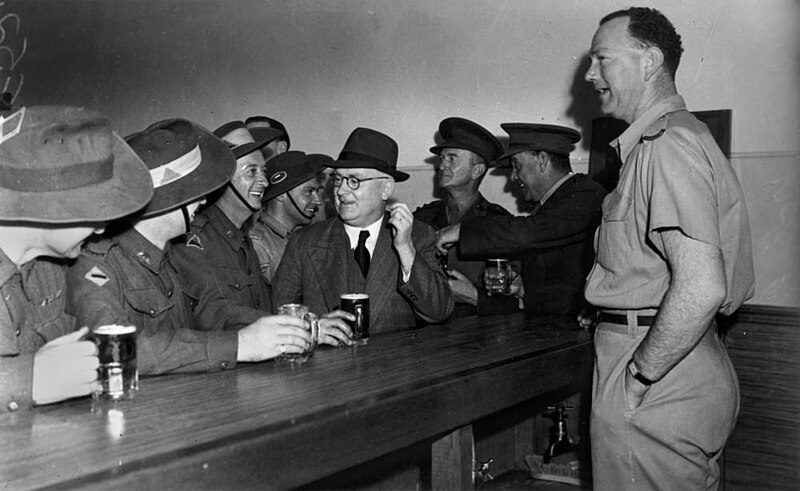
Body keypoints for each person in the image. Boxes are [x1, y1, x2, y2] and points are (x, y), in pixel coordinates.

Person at [583, 7, 754, 490]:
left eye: (602, 59)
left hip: (655, 368)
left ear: (649, 59)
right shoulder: (681, 137)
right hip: (687, 360)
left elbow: (701, 286)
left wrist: (639, 377)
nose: (590, 74)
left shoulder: (665, 146)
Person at [66, 119, 337, 375]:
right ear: (165, 200)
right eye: (193, 191)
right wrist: (239, 346)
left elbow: (213, 310)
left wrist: (290, 329)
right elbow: (109, 350)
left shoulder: (168, 257)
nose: (205, 200)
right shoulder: (98, 263)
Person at [0, 105, 153, 410]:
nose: (100, 228)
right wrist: (23, 382)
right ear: (46, 209)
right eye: (93, 212)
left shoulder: (50, 271)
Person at [273, 127, 454, 332]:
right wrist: (313, 329)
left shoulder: (418, 235)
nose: (341, 191)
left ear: (385, 188)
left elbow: (439, 311)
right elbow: (279, 314)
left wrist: (405, 249)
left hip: (394, 362)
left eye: (354, 181)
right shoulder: (304, 241)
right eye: (338, 179)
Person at [436, 123, 606, 319]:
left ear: (542, 160)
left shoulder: (586, 195)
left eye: (517, 166)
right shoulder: (553, 204)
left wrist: (461, 231)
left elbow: (531, 232)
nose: (514, 177)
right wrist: (523, 290)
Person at [414, 117, 518, 317]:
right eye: (442, 159)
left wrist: (475, 296)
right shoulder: (422, 218)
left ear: (476, 170)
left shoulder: (498, 223)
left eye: (452, 159)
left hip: (478, 333)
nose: (442, 166)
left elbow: (512, 299)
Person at [249, 150, 329, 283]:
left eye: (317, 191)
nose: (318, 201)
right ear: (281, 195)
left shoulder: (296, 238)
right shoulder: (259, 246)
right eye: (308, 192)